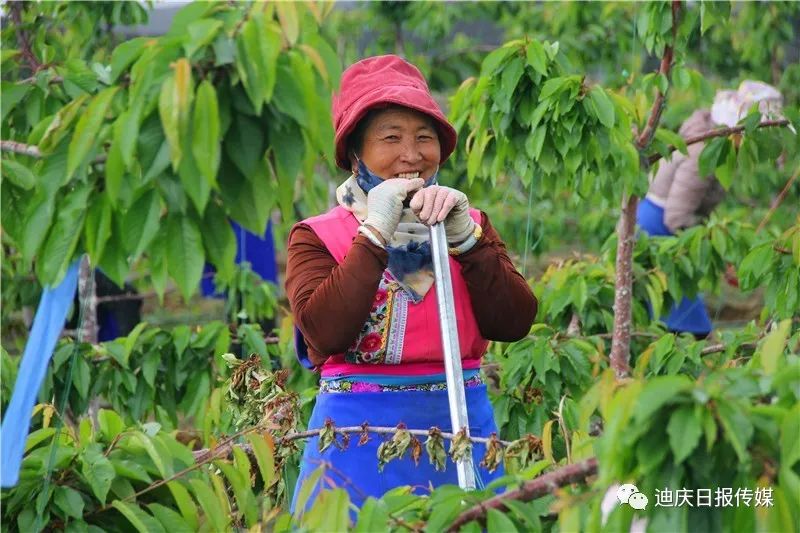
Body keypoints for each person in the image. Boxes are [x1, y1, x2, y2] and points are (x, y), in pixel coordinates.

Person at [286, 55, 538, 509]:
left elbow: (514, 322)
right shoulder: (319, 236)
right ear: (356, 153)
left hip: (461, 430)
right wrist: (376, 232)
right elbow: (325, 332)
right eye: (391, 138)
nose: (412, 154)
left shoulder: (469, 224)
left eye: (425, 138)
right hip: (356, 443)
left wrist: (468, 240)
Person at [637, 80, 784, 337]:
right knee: (683, 324)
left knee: (667, 317)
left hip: (661, 226)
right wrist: (716, 250)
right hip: (656, 230)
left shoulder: (717, 144)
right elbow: (677, 216)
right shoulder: (705, 154)